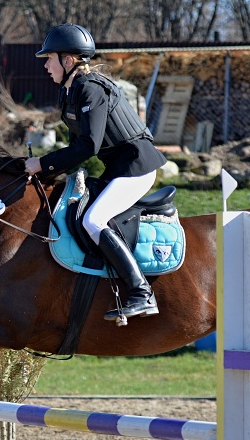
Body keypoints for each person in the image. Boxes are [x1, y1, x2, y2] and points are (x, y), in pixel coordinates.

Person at [25, 23, 167, 322]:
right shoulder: (71, 92)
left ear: (67, 60)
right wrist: (48, 171)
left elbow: (89, 146)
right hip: (119, 169)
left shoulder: (91, 89)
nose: (46, 65)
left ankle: (142, 293)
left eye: (49, 58)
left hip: (137, 168)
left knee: (94, 219)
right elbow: (77, 144)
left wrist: (43, 164)